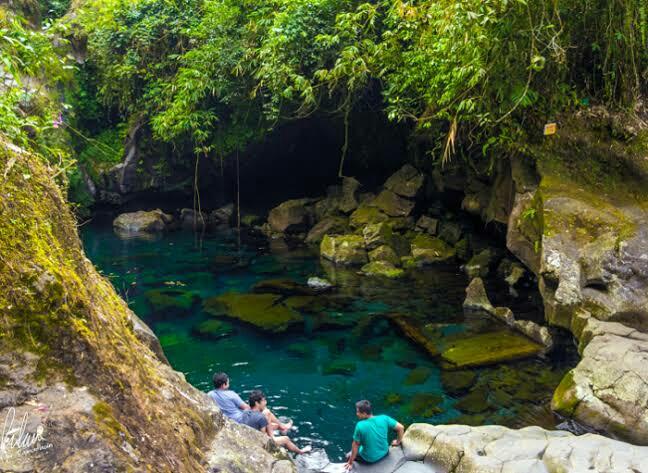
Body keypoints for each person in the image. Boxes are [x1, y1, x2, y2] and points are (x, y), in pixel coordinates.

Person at [208, 372, 292, 432]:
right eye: (228, 381)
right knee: (267, 412)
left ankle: (281, 428)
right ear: (224, 384)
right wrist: (257, 405)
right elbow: (247, 407)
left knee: (266, 419)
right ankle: (282, 427)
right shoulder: (231, 394)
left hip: (229, 420)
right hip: (240, 420)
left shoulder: (209, 394)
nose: (229, 382)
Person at [245, 390, 311, 455]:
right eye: (264, 401)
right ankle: (301, 451)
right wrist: (271, 436)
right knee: (286, 439)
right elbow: (263, 438)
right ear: (257, 403)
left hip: (253, 433)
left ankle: (283, 427)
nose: (266, 402)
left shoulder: (246, 411)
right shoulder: (261, 417)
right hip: (260, 442)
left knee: (268, 413)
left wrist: (271, 426)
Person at [344, 400, 404, 470]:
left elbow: (355, 446)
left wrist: (350, 462)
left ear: (364, 414)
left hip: (369, 459)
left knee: (348, 455)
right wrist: (397, 442)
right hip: (385, 453)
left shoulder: (360, 425)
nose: (356, 413)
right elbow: (401, 427)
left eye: (358, 412)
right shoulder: (384, 418)